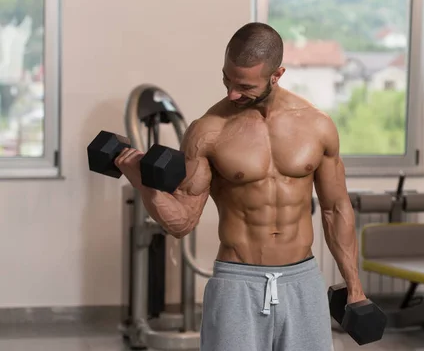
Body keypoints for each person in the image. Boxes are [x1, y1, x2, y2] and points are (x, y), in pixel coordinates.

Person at [115, 22, 366, 351]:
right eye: (227, 80)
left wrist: (355, 287)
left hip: (302, 281)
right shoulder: (208, 131)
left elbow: (336, 208)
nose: (232, 93)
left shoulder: (317, 126)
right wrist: (140, 180)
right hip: (237, 283)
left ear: (277, 75)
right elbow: (181, 222)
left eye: (244, 86)